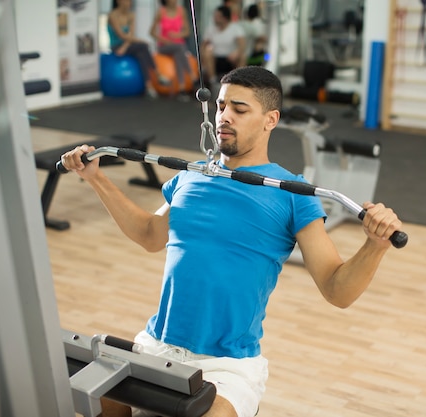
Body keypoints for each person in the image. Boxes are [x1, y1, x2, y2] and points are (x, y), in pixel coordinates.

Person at [60, 66, 402, 417]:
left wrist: (374, 245)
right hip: (156, 347)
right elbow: (150, 235)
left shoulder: (293, 195)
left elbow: (337, 290)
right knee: (84, 397)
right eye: (222, 106)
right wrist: (95, 177)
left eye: (240, 110)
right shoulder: (191, 175)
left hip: (227, 365)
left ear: (271, 120)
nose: (225, 117)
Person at [108, 0, 170, 98]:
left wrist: (125, 46)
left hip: (127, 45)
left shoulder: (131, 15)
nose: (128, 2)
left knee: (142, 54)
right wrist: (140, 41)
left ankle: (148, 86)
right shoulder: (112, 15)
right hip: (116, 46)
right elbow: (121, 35)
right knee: (143, 47)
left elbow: (131, 34)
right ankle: (158, 75)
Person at [149, 0, 198, 97]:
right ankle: (192, 75)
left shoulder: (181, 11)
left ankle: (181, 88)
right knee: (180, 48)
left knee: (178, 54)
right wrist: (163, 40)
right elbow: (152, 32)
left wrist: (177, 35)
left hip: (179, 46)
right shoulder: (161, 12)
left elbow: (187, 32)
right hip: (164, 46)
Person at [200, 5, 246, 88]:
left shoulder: (236, 28)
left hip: (230, 58)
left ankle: (240, 83)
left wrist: (237, 52)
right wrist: (204, 55)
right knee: (207, 53)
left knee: (242, 56)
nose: (215, 18)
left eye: (217, 16)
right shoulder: (210, 29)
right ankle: (213, 81)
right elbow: (203, 45)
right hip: (216, 59)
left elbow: (242, 45)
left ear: (225, 18)